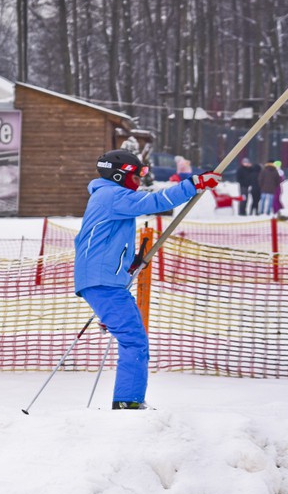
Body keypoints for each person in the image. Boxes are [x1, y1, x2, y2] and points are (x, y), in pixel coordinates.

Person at [74, 149, 221, 410]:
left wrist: (129, 263)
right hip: (102, 281)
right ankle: (128, 402)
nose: (141, 178)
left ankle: (129, 400)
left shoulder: (108, 196)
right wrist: (192, 185)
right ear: (120, 174)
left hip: (106, 280)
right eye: (138, 173)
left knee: (133, 337)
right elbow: (153, 203)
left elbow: (104, 242)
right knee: (134, 340)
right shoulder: (111, 195)